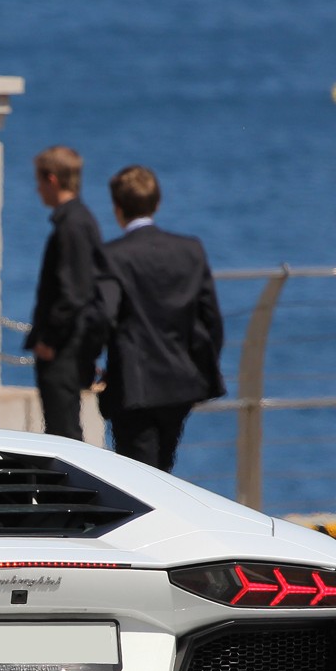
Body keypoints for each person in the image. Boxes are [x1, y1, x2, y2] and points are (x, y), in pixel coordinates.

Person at [95, 165, 224, 471]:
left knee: (139, 477)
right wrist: (202, 369)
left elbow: (103, 316)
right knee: (164, 468)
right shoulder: (190, 250)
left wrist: (88, 365)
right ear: (157, 203)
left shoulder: (113, 255)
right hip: (181, 383)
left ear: (117, 208)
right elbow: (211, 320)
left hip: (134, 385)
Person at [25, 145, 108, 439]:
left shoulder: (71, 225)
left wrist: (49, 339)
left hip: (64, 348)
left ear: (52, 179)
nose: (37, 190)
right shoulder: (79, 220)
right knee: (64, 427)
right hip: (73, 342)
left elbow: (73, 293)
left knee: (63, 431)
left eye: (38, 181)